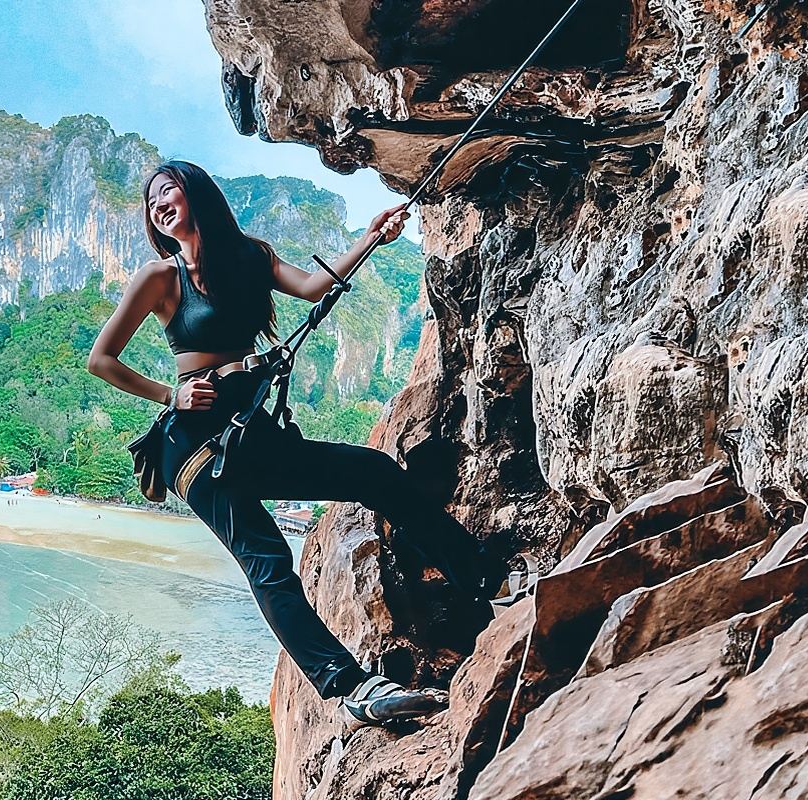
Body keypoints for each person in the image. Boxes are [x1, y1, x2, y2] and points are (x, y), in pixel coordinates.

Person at [87, 160, 503, 727]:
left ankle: (487, 578)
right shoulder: (159, 278)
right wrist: (170, 397)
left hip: (251, 430)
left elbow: (313, 286)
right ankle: (352, 688)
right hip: (196, 446)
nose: (160, 206)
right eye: (152, 200)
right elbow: (101, 359)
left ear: (198, 196)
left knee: (373, 472)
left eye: (169, 192)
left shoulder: (250, 258)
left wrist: (369, 238)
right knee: (268, 561)